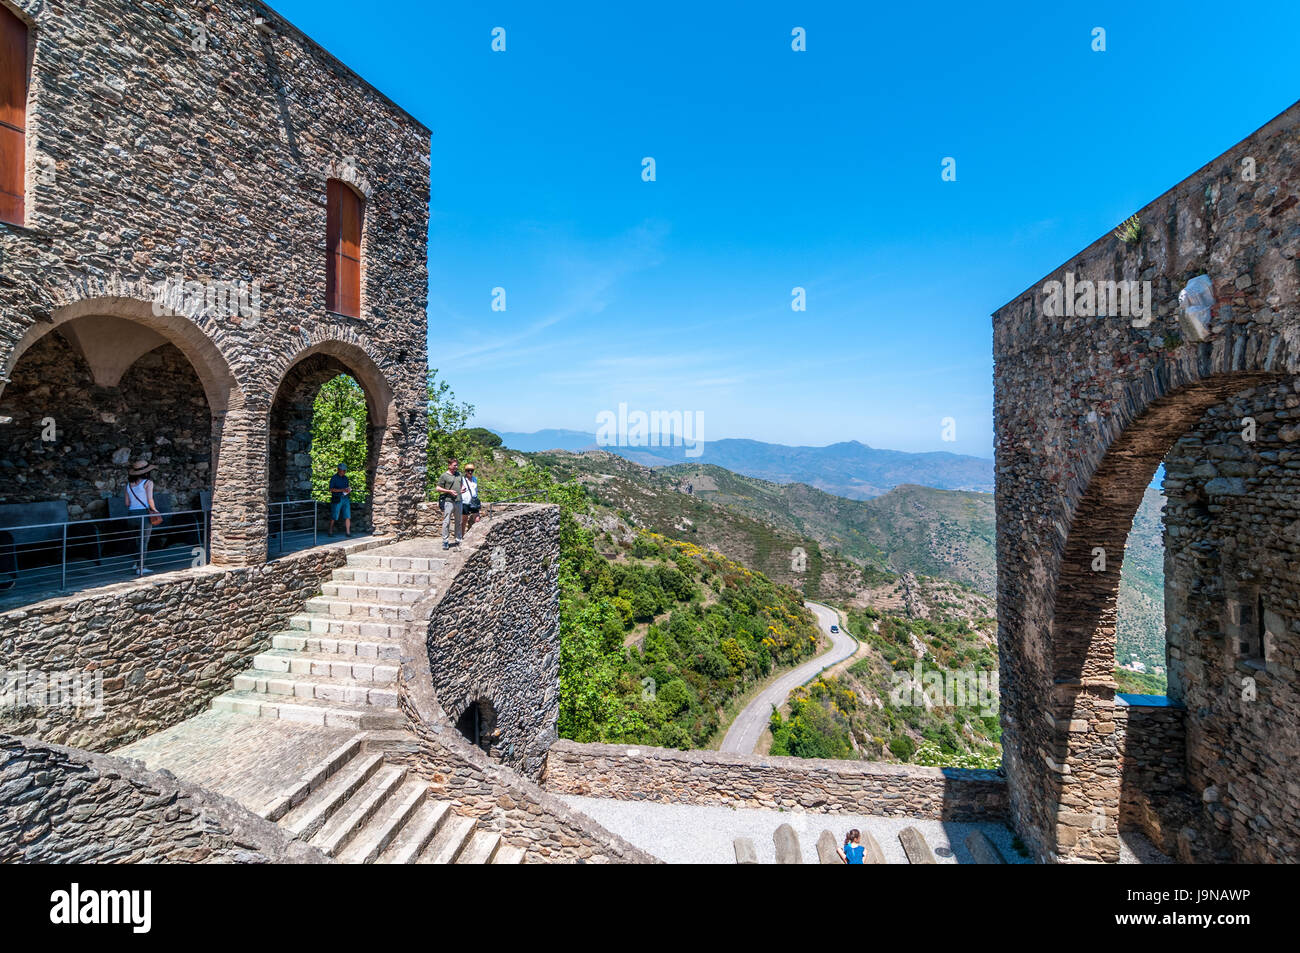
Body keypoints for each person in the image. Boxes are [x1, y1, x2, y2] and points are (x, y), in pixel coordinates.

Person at [125, 460, 160, 576]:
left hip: (131, 514)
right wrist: (154, 509)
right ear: (146, 472)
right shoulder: (148, 483)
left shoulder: (128, 485)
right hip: (143, 515)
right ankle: (141, 567)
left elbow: (127, 503)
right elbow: (150, 499)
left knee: (135, 540)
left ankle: (136, 563)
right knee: (144, 541)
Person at [436, 458, 463, 550]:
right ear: (449, 465)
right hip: (448, 501)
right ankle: (445, 541)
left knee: (458, 522)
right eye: (455, 465)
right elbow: (438, 488)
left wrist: (462, 490)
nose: (456, 467)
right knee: (446, 522)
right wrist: (449, 491)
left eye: (457, 465)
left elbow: (461, 485)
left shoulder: (459, 474)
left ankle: (458, 540)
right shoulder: (444, 476)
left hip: (459, 501)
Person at [328, 463, 351, 537]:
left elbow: (346, 487)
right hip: (337, 499)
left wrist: (347, 490)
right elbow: (331, 489)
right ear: (338, 470)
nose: (344, 472)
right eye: (342, 470)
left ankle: (348, 532)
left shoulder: (345, 478)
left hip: (345, 498)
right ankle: (330, 531)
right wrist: (342, 490)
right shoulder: (334, 478)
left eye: (345, 471)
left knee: (347, 515)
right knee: (334, 515)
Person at [460, 463, 481, 537]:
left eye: (471, 470)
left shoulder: (475, 479)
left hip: (473, 501)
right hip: (465, 501)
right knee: (464, 521)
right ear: (465, 471)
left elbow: (476, 490)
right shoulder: (462, 479)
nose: (470, 472)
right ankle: (461, 537)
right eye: (468, 470)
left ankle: (476, 536)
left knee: (477, 519)